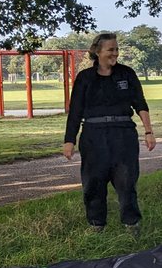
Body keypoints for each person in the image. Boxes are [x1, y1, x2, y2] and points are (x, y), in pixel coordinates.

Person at [63, 33, 156, 234]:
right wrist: (69, 140)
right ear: (98, 51)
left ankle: (132, 225)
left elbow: (140, 104)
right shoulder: (85, 78)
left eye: (116, 49)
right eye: (110, 49)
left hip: (123, 135)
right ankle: (97, 225)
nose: (115, 53)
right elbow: (76, 111)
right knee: (94, 182)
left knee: (126, 181)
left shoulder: (127, 74)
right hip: (93, 135)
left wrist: (148, 131)